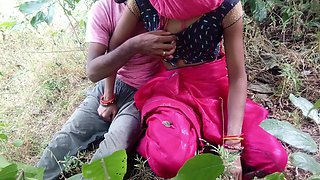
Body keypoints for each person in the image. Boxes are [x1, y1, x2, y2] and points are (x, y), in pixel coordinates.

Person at [108, 0, 288, 179]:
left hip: (215, 88)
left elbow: (238, 77)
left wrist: (233, 146)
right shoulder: (144, 3)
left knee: (274, 159)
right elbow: (114, 49)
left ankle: (200, 145)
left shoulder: (226, 5)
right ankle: (180, 141)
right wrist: (108, 97)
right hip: (170, 89)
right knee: (170, 161)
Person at [36, 0, 176, 179]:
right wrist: (134, 46)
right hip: (113, 84)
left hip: (145, 94)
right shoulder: (104, 9)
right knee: (68, 136)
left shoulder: (165, 7)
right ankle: (35, 176)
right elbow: (94, 71)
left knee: (117, 144)